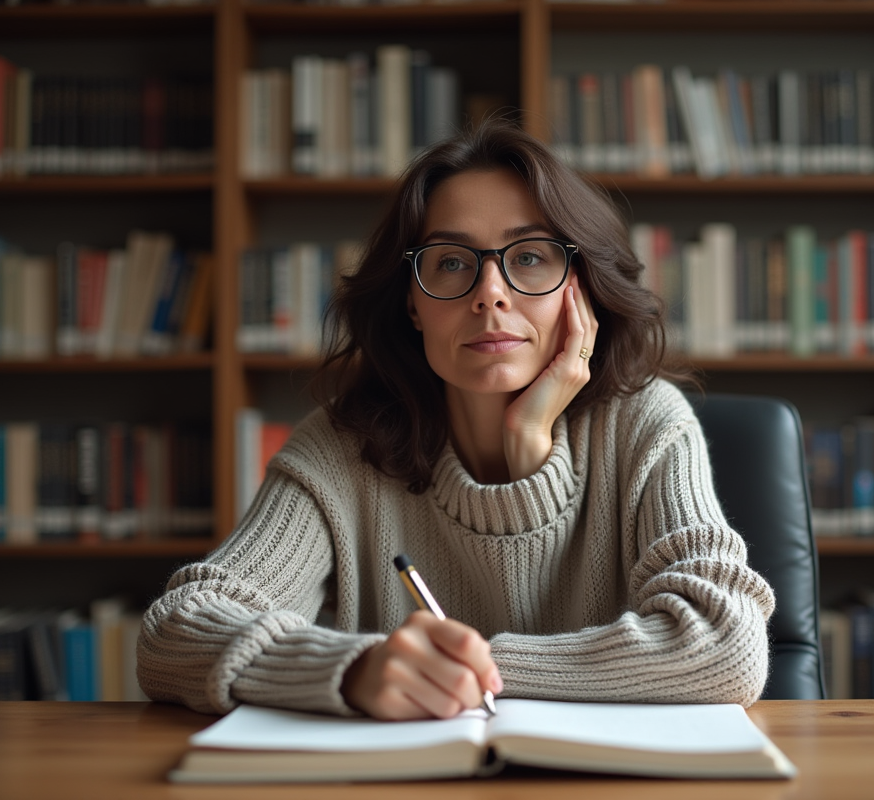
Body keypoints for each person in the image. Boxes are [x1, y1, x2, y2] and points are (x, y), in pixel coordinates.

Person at [137, 120, 775, 720]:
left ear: (576, 288)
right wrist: (358, 670)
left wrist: (466, 669)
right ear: (413, 303)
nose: (489, 293)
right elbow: (176, 631)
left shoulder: (645, 424)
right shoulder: (339, 447)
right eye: (449, 262)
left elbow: (726, 645)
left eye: (529, 258)